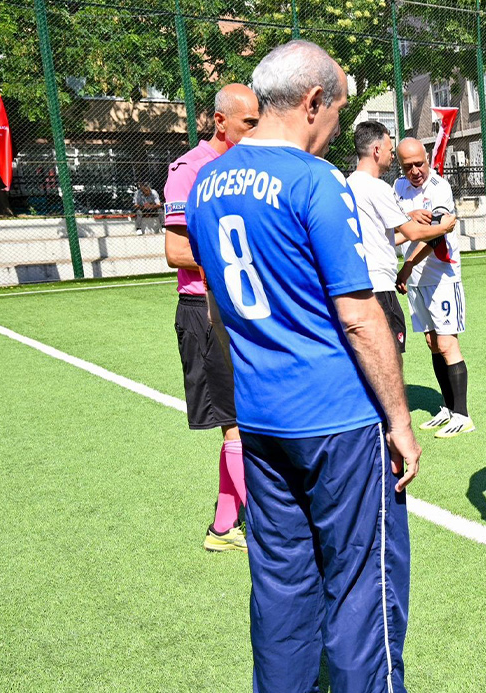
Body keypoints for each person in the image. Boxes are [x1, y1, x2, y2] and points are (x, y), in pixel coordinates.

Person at [185, 40, 421, 691]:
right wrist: (400, 421)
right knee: (359, 595)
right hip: (338, 422)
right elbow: (358, 313)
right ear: (313, 101)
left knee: (282, 587)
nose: (338, 126)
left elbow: (215, 311)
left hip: (260, 420)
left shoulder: (209, 181)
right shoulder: (316, 181)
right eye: (339, 110)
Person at [162, 82, 259, 553]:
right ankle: (255, 528)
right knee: (237, 425)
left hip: (243, 309)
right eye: (249, 124)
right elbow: (175, 251)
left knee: (245, 421)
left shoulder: (249, 169)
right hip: (205, 311)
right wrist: (228, 261)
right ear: (220, 121)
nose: (256, 132)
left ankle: (224, 527)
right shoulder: (189, 170)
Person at [346, 121, 457, 355]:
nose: (391, 157)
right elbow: (413, 233)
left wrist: (407, 215)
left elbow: (380, 235)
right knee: (389, 360)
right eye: (389, 149)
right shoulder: (379, 187)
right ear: (376, 151)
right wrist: (444, 227)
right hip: (380, 287)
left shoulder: (347, 185)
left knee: (364, 358)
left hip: (355, 285)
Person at [394, 137, 473, 438]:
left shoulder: (439, 188)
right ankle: (448, 408)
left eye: (419, 163)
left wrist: (408, 264)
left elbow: (436, 235)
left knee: (447, 343)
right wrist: (408, 218)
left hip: (442, 275)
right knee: (432, 342)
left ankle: (463, 415)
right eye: (407, 166)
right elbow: (400, 224)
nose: (415, 171)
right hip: (416, 281)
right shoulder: (398, 189)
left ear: (427, 159)